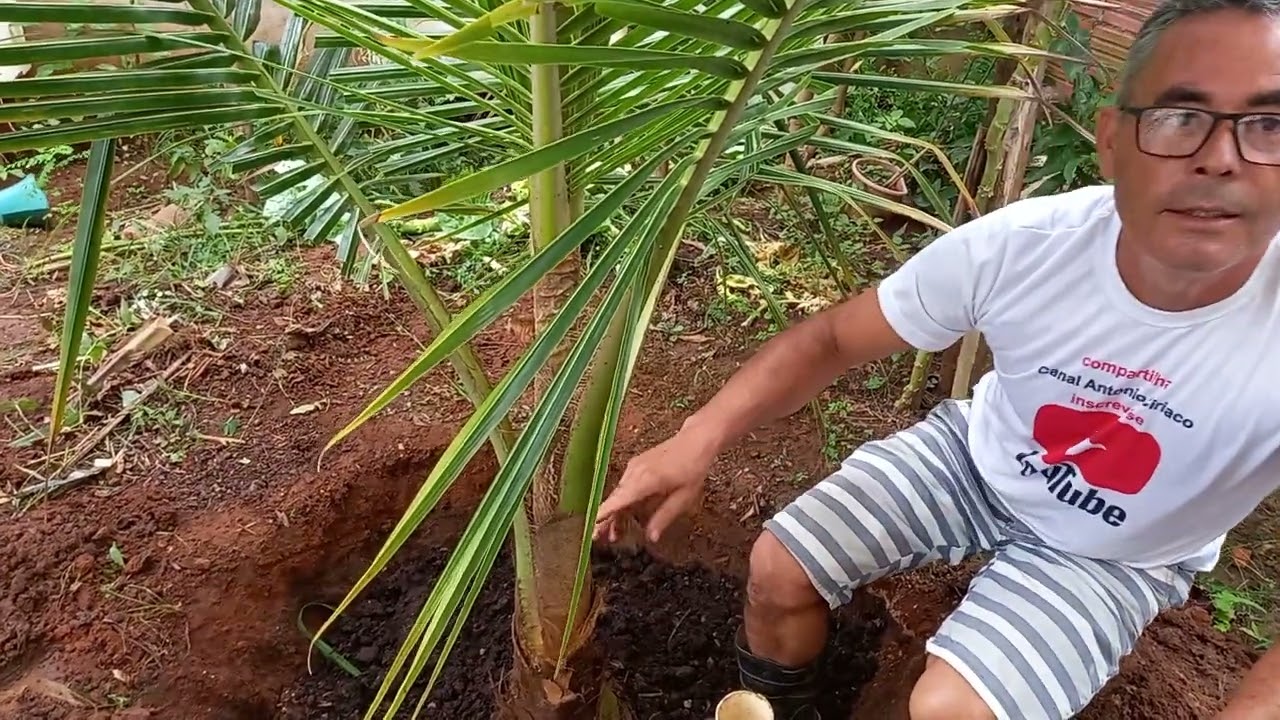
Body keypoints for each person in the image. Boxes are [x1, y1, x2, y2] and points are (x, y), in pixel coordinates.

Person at [592, 1, 1280, 718]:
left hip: (1118, 551)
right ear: (1111, 140)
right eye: (1178, 117)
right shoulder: (1022, 247)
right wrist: (697, 438)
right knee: (776, 567)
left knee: (950, 709)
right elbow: (830, 340)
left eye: (1269, 124)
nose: (1220, 157)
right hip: (977, 460)